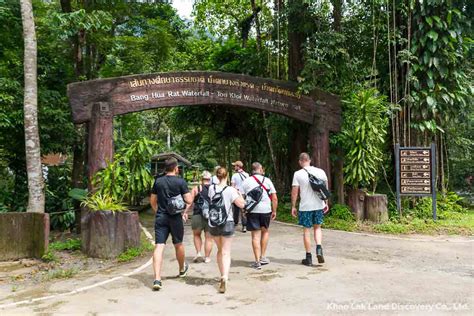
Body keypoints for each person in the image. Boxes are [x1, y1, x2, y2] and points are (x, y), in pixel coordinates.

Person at [150, 157, 193, 291]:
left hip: (161, 217)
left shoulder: (158, 181)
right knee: (178, 243)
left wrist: (159, 212)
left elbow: (153, 201)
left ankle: (157, 278)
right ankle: (181, 269)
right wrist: (184, 210)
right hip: (175, 218)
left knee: (159, 246)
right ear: (176, 168)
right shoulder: (180, 181)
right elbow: (189, 199)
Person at [208, 167, 245, 293]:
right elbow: (242, 204)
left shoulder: (211, 189)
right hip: (227, 222)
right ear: (227, 176)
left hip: (213, 223)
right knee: (226, 252)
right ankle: (225, 277)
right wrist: (239, 194)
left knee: (219, 250)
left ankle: (221, 275)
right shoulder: (231, 190)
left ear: (216, 176)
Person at [291, 152, 328, 266]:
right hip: (319, 205)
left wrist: (293, 206)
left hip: (305, 207)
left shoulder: (298, 174)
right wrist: (326, 202)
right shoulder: (320, 171)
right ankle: (319, 249)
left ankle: (308, 257)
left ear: (300, 161)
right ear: (310, 160)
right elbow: (325, 188)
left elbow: (295, 192)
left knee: (306, 230)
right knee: (317, 227)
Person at [241, 162, 278, 270]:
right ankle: (263, 257)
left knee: (255, 236)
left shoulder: (246, 181)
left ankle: (257, 261)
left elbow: (241, 197)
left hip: (252, 211)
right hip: (266, 210)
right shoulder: (267, 180)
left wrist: (243, 209)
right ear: (260, 169)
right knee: (265, 231)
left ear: (252, 170)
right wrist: (274, 210)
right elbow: (274, 197)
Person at [187, 171, 214, 263]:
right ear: (210, 179)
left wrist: (185, 212)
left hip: (197, 214)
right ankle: (207, 257)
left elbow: (189, 201)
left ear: (201, 179)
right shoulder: (214, 189)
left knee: (196, 235)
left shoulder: (196, 188)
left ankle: (198, 253)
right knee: (209, 238)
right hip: (211, 216)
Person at [231, 160, 249, 232]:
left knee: (236, 209)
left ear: (238, 167)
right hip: (245, 194)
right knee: (243, 210)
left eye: (235, 166)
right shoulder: (247, 175)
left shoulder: (234, 175)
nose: (234, 167)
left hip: (237, 194)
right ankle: (244, 226)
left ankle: (235, 223)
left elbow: (232, 186)